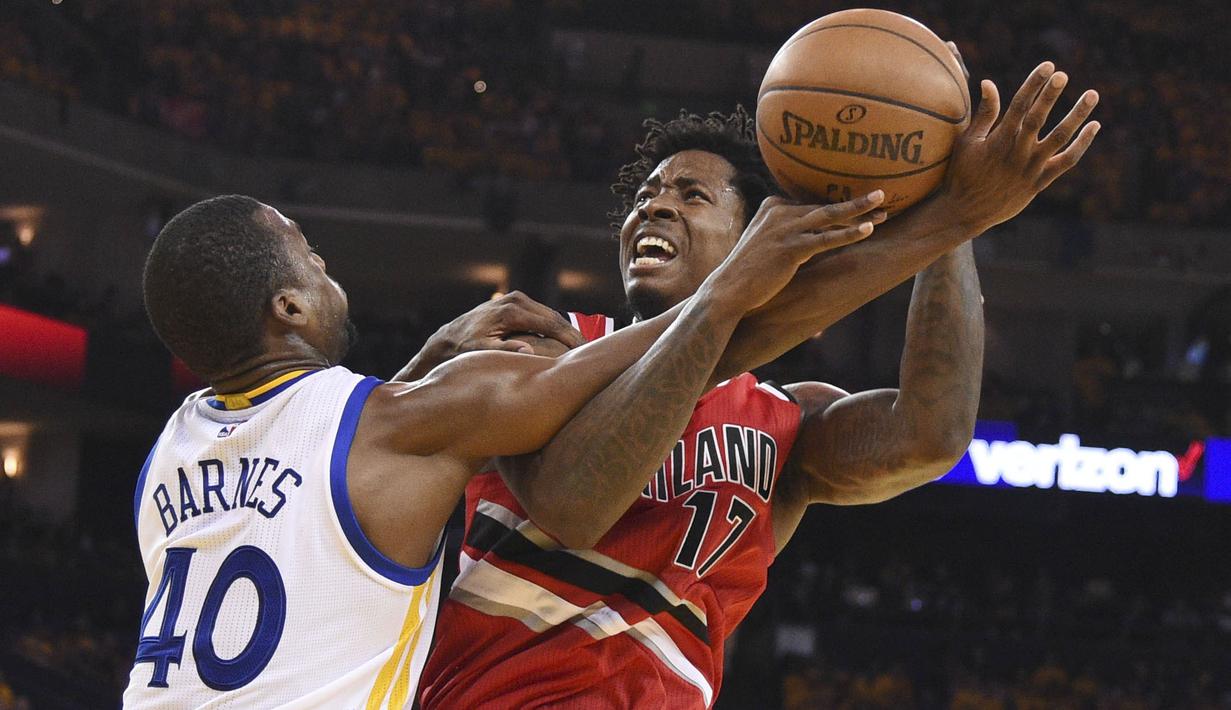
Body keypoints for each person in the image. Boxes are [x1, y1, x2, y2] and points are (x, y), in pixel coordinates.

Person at [417, 59, 1100, 708]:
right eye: (646, 196)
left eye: (690, 195)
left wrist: (948, 210)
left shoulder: (786, 420)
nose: (653, 208)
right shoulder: (545, 346)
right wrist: (950, 215)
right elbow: (571, 508)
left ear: (753, 235)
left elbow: (929, 437)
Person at [122, 189, 885, 707]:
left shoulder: (170, 454)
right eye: (310, 258)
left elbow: (324, 438)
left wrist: (426, 362)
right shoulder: (403, 422)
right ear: (287, 306)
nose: (325, 267)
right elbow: (679, 356)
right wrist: (729, 291)